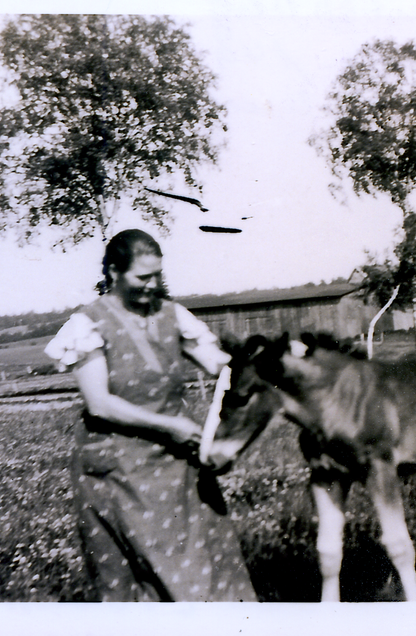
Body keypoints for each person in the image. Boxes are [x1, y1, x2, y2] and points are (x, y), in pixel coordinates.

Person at [45, 229, 257, 601]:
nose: (153, 284)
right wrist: (170, 425)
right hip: (119, 469)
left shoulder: (173, 315)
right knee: (148, 576)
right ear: (114, 272)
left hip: (180, 465)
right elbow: (99, 403)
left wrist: (263, 364)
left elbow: (218, 364)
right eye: (143, 277)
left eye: (157, 275)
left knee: (205, 563)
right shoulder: (88, 324)